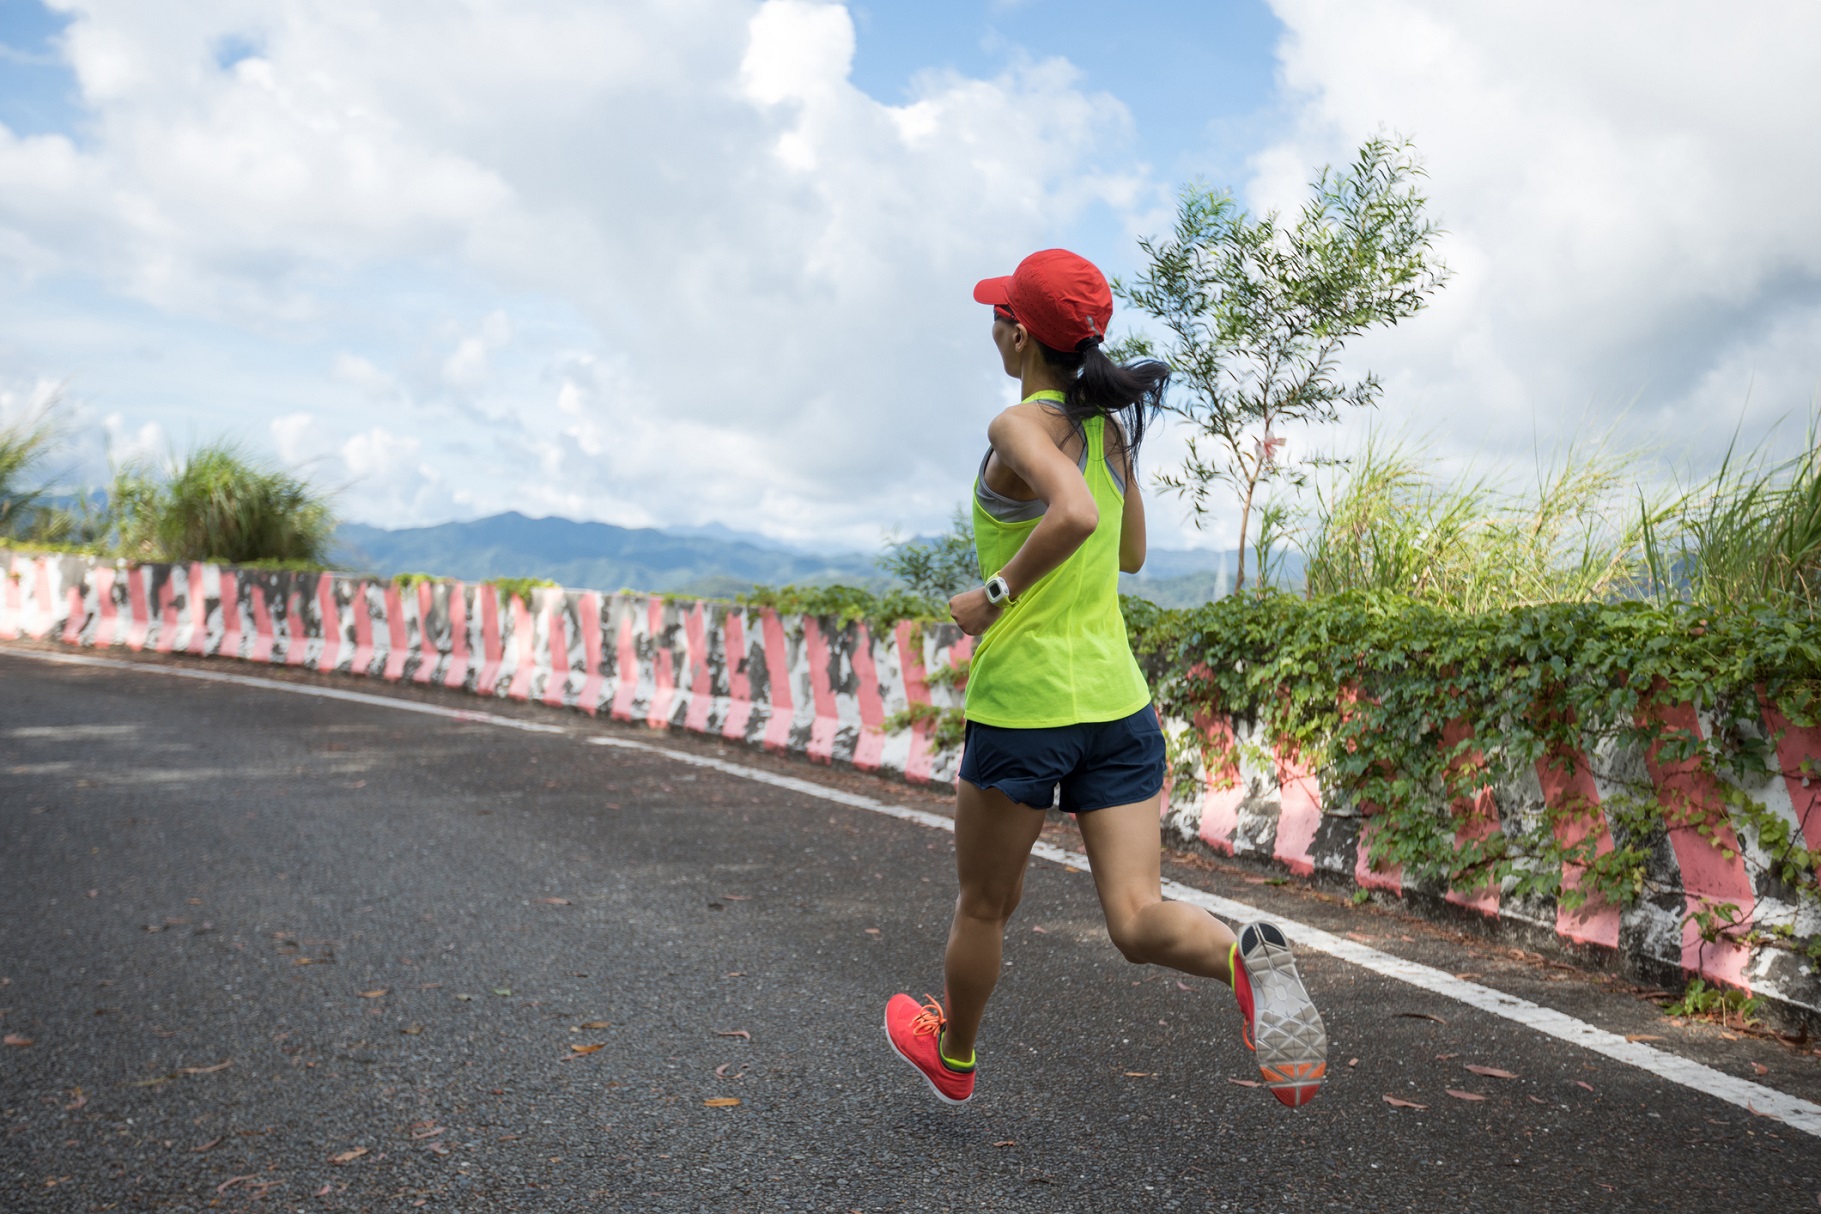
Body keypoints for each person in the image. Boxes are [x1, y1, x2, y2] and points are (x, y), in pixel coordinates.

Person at [882, 249, 1327, 1109]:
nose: (993, 326)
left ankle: (957, 1054)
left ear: (1017, 336)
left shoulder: (1017, 428)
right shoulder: (1106, 433)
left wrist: (992, 594)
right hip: (1117, 705)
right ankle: (1243, 956)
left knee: (984, 904)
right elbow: (1128, 552)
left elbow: (1078, 516)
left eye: (999, 315)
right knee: (1135, 916)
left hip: (1024, 707)